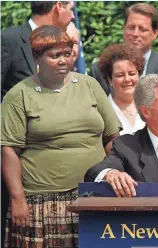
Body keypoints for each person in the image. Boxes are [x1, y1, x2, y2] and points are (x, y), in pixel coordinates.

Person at [1, 25, 122, 248]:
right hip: (42, 203)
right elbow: (8, 149)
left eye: (67, 53)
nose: (63, 60)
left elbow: (113, 138)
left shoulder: (89, 85)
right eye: (54, 55)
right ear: (36, 56)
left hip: (93, 195)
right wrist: (18, 199)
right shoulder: (19, 95)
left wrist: (116, 176)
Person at [1, 1, 75, 100]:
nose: (73, 16)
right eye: (71, 9)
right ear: (59, 6)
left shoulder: (64, 46)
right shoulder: (8, 40)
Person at [90, 3, 158, 95]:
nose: (135, 34)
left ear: (155, 33)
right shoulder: (99, 70)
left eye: (142, 29)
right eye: (131, 27)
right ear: (124, 28)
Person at [98, 43, 146, 135]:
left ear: (139, 76)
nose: (127, 79)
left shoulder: (151, 106)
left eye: (132, 74)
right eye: (120, 75)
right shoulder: (101, 112)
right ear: (109, 79)